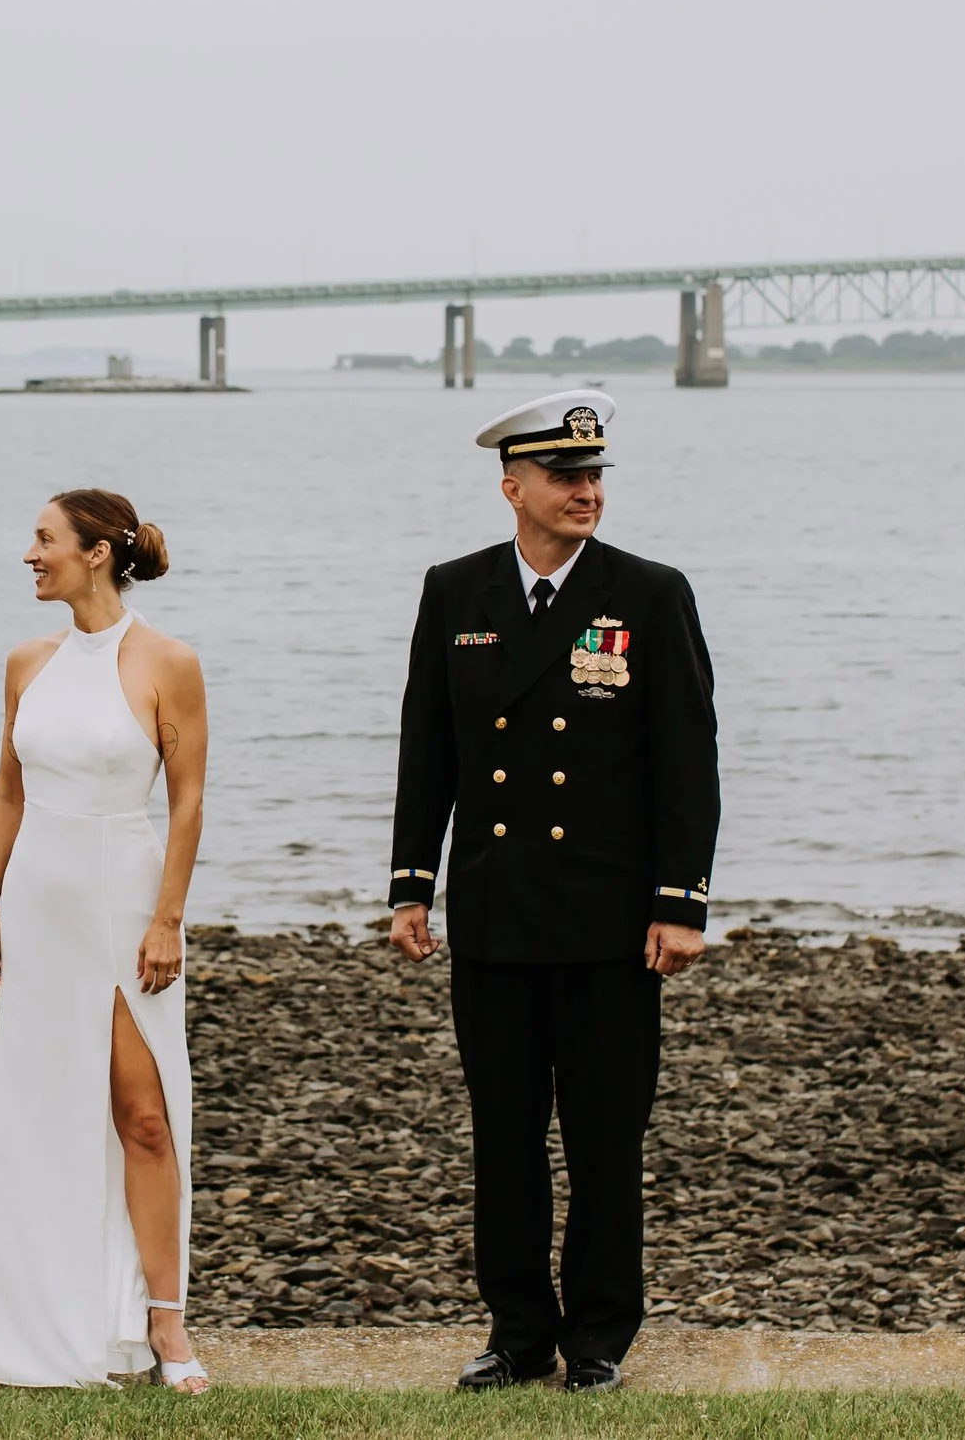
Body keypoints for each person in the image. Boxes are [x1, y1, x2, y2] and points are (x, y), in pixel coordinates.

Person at [387, 389, 719, 1395]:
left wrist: (680, 901)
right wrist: (413, 881)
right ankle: (518, 1331)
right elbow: (427, 747)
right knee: (505, 1138)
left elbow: (686, 760)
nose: (586, 489)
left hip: (611, 921)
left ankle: (600, 1337)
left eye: (596, 474)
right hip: (493, 914)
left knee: (605, 1138)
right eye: (565, 476)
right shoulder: (457, 591)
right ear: (512, 486)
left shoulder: (648, 593)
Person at [0, 488, 212, 1393]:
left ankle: (165, 1323)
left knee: (143, 1115)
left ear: (97, 553)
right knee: (42, 1109)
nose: (30, 553)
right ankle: (47, 1314)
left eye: (45, 539)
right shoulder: (26, 661)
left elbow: (187, 801)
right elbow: (8, 790)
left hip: (124, 902)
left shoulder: (168, 662)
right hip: (40, 908)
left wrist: (168, 916)